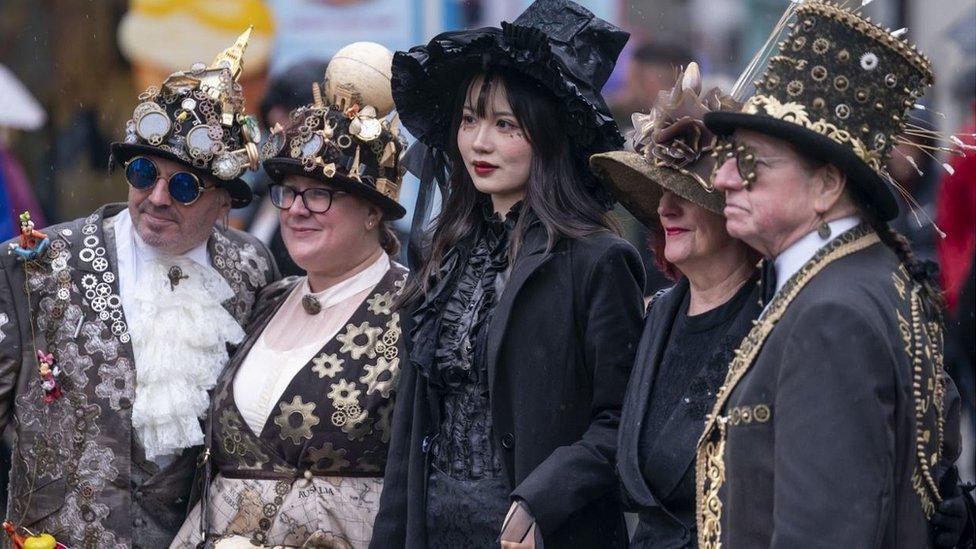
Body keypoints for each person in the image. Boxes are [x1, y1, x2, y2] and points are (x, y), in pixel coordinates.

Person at [372, 1, 644, 547]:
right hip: (436, 526)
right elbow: (412, 428)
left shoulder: (597, 259)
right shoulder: (442, 251)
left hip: (537, 532)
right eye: (470, 120)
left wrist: (544, 498)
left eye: (505, 125)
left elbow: (623, 419)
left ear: (546, 135)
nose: (479, 143)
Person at [695, 2, 966, 547]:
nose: (722, 178)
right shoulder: (862, 272)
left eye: (752, 164)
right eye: (728, 158)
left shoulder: (832, 316)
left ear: (826, 186)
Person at [0, 30, 279, 548]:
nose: (155, 197)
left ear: (225, 203)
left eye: (183, 186)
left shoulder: (250, 269)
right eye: (144, 170)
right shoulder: (37, 263)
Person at [171, 42, 408, 549]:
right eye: (288, 192)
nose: (297, 209)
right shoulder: (268, 298)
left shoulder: (415, 307)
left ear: (373, 211)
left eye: (319, 192)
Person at [590, 63, 760, 547]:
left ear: (736, 208)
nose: (665, 209)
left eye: (686, 194)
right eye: (660, 192)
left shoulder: (777, 318)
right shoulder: (658, 315)